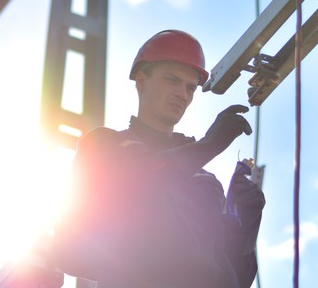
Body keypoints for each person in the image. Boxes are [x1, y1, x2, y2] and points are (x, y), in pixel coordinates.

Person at [52, 30, 265, 288]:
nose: (182, 94)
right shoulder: (105, 145)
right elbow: (72, 246)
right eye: (172, 80)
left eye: (190, 87)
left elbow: (232, 277)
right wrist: (207, 146)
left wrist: (245, 222)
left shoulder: (204, 181)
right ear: (141, 79)